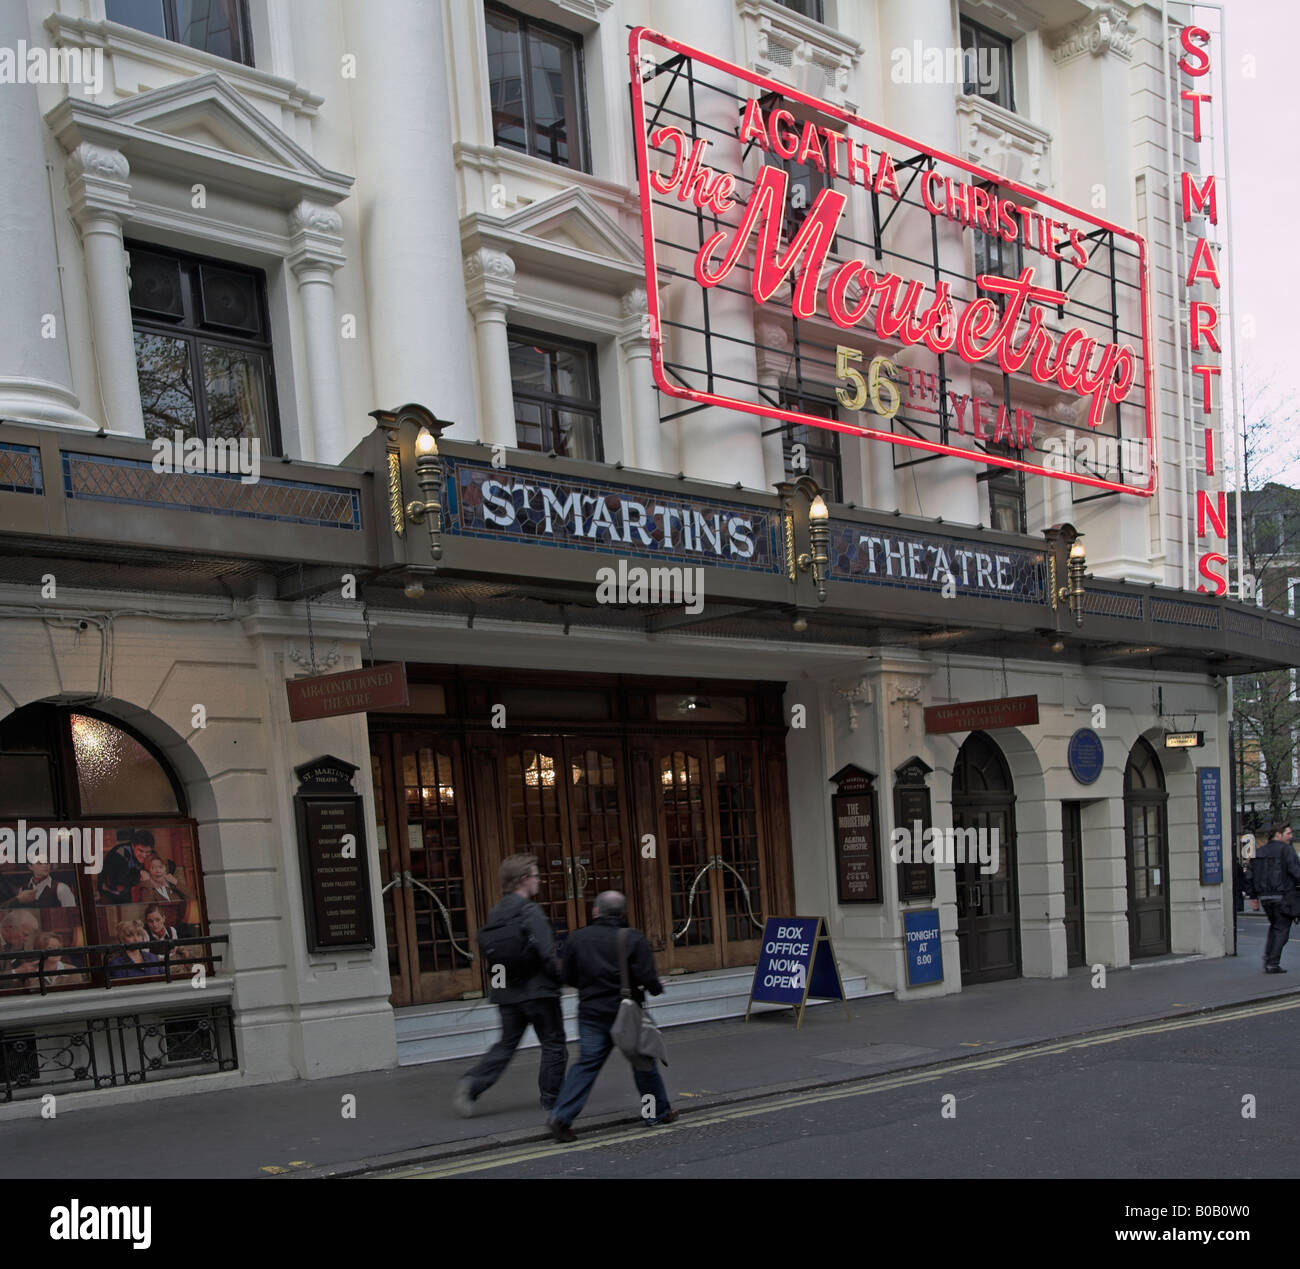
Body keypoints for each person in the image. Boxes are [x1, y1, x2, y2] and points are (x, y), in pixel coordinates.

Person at [546, 891, 676, 1142]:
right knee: (643, 1065)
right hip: (626, 1014)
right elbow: (648, 978)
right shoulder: (633, 938)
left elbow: (568, 978)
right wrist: (656, 987)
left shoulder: (577, 938)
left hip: (591, 1013)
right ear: (622, 912)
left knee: (586, 1065)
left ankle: (561, 1116)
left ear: (596, 911)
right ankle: (656, 1112)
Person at [453, 854, 566, 1117]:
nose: (540, 881)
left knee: (506, 1044)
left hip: (506, 993)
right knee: (553, 1044)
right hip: (539, 992)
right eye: (537, 876)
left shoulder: (496, 912)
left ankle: (472, 1084)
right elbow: (547, 954)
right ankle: (552, 1100)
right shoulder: (530, 911)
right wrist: (563, 978)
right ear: (524, 880)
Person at [1247, 822, 1300, 973]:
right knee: (1282, 930)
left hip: (1265, 898)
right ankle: (1272, 963)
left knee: (1275, 927)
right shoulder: (1286, 850)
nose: (1291, 836)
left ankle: (1268, 958)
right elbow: (1296, 872)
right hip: (1283, 896)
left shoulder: (1259, 851)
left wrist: (1253, 896)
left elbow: (1250, 875)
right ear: (1278, 833)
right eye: (1288, 833)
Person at [98, 829, 155, 904]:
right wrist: (140, 876)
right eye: (140, 851)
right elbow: (117, 881)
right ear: (133, 845)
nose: (144, 855)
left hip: (124, 892)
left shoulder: (140, 856)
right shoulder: (120, 853)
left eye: (147, 852)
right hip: (108, 893)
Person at [0, 861, 76, 908]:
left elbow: (71, 908)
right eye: (39, 863)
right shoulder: (23, 889)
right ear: (30, 866)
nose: (45, 866)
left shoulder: (61, 888)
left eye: (47, 862)